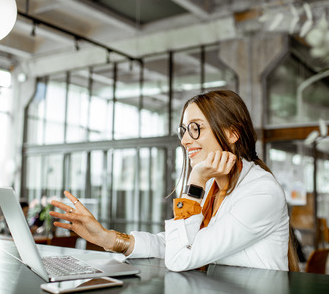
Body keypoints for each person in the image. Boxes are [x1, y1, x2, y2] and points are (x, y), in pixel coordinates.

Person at [50, 90, 299, 272]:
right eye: (183, 130)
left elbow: (181, 258)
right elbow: (177, 243)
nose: (185, 140)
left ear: (232, 133)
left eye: (195, 128)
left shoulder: (261, 192)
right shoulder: (214, 186)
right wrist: (108, 239)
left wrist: (196, 179)